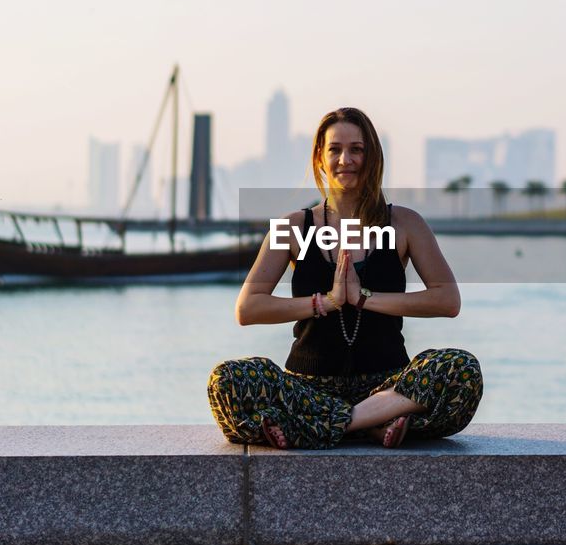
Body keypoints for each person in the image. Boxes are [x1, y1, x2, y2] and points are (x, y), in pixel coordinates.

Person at [207, 106, 483, 449]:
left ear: (372, 157)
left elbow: (447, 299)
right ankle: (368, 426)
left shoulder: (406, 224)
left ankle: (325, 424)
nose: (345, 159)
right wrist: (326, 302)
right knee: (227, 381)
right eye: (335, 149)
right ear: (320, 157)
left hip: (389, 389)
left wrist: (364, 298)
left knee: (461, 369)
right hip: (306, 388)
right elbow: (248, 308)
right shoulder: (292, 226)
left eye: (356, 149)